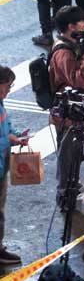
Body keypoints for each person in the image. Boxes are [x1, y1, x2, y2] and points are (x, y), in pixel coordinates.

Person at [48, 5, 84, 141]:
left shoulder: (73, 44)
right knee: (69, 150)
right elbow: (80, 82)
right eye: (82, 21)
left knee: (77, 148)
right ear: (71, 26)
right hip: (67, 113)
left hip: (75, 109)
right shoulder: (63, 52)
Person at [0, 66, 29, 264]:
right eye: (8, 85)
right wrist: (9, 140)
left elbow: (6, 127)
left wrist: (17, 135)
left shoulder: (0, 104)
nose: (9, 90)